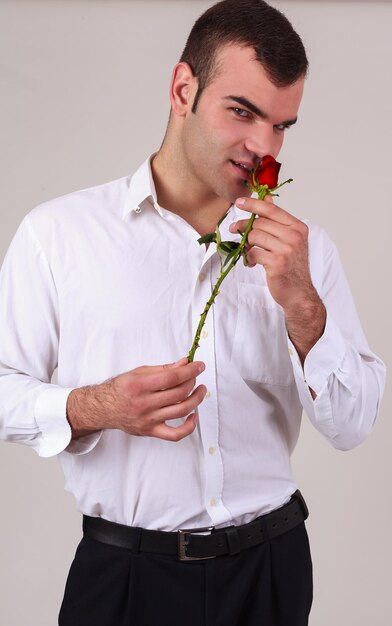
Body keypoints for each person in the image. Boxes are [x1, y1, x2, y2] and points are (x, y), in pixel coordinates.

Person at [0, 0, 385, 624]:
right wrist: (93, 406)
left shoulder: (303, 253)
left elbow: (352, 426)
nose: (265, 148)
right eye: (243, 112)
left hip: (271, 571)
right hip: (124, 576)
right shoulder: (58, 236)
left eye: (283, 125)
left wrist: (305, 310)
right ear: (184, 89)